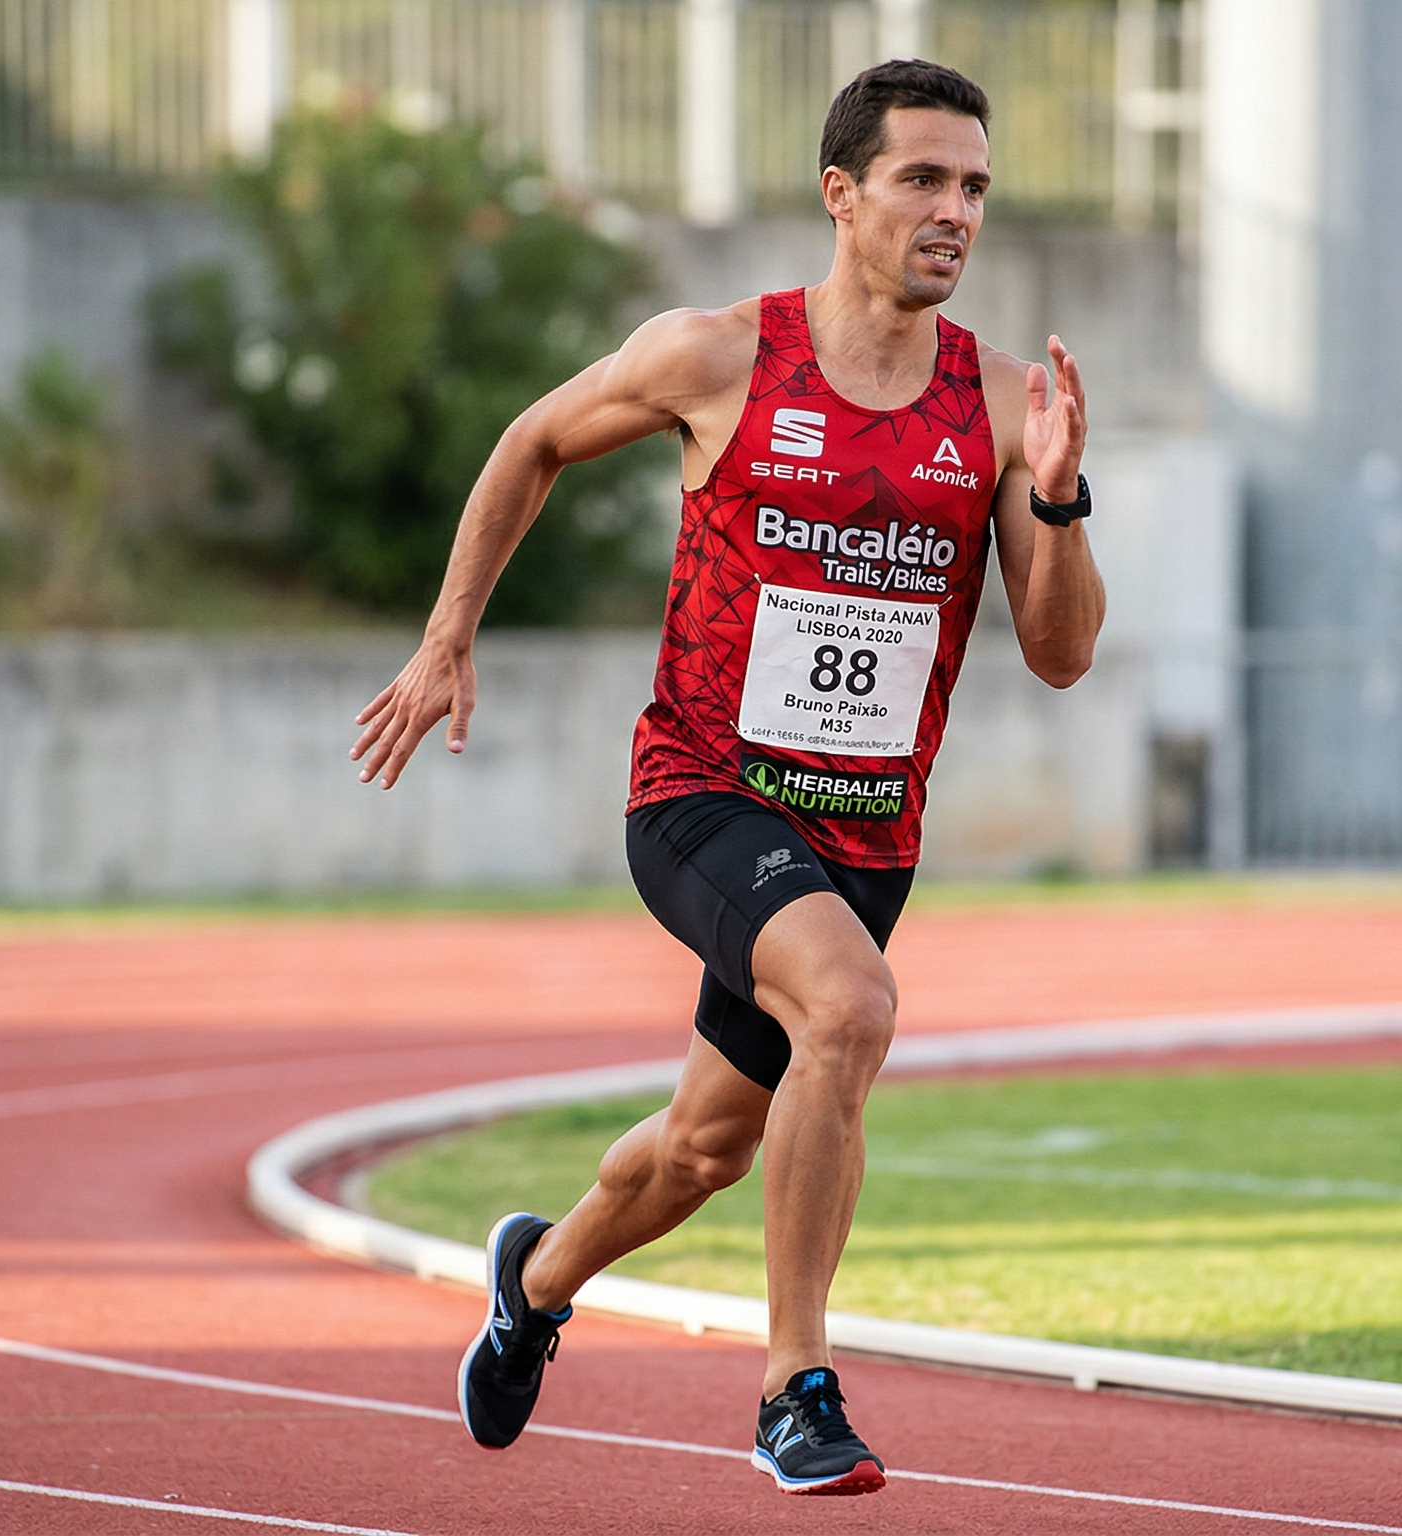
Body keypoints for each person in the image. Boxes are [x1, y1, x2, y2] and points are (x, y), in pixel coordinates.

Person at [348, 58, 1103, 1496]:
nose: (956, 211)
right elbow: (533, 441)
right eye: (924, 179)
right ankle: (793, 1388)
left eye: (976, 188)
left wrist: (1060, 497)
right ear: (843, 193)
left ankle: (537, 1280)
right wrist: (448, 637)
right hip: (701, 793)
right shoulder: (717, 358)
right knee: (854, 1005)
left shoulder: (1005, 406)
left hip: (865, 837)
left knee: (704, 1144)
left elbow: (1060, 653)